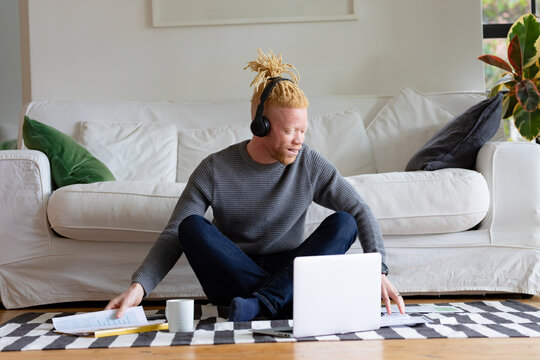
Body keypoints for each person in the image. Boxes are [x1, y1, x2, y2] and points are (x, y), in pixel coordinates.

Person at [106, 49, 405, 321]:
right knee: (190, 227)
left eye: (303, 130)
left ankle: (260, 306)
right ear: (261, 125)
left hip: (285, 273)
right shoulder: (214, 168)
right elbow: (174, 233)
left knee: (344, 222)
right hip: (233, 276)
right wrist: (139, 287)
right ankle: (283, 303)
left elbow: (360, 210)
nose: (300, 140)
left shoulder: (310, 163)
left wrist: (377, 270)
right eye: (290, 131)